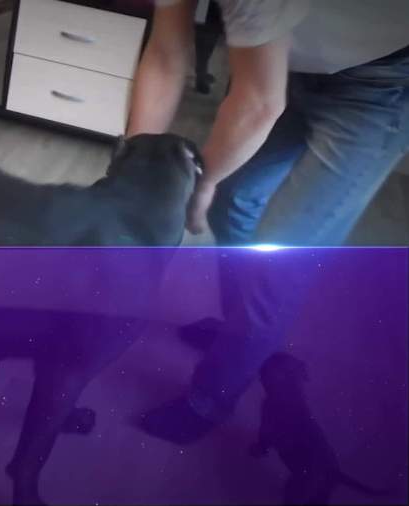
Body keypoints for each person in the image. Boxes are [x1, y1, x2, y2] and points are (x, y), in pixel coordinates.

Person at [127, 0, 409, 443]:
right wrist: (130, 166)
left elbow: (259, 104)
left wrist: (203, 182)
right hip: (281, 61)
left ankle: (209, 401)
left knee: (281, 259)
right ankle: (240, 332)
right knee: (232, 203)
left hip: (379, 86)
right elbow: (165, 54)